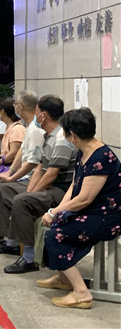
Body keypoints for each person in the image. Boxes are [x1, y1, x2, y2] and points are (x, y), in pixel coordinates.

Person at [39, 108, 121, 309]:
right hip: (92, 210)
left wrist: (54, 212)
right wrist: (57, 210)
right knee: (53, 223)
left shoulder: (101, 157)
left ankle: (81, 293)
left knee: (54, 236)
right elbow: (74, 187)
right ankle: (63, 278)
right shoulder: (84, 152)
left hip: (107, 217)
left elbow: (84, 199)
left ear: (73, 136)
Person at [0, 95, 77, 274]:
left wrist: (30, 194)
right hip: (49, 186)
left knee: (22, 201)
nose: (35, 116)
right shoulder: (49, 136)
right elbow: (40, 168)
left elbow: (51, 175)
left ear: (43, 115)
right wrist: (29, 190)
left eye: (37, 112)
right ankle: (11, 242)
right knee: (5, 190)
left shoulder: (61, 138)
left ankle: (29, 258)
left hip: (61, 190)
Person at [0, 90, 44, 228]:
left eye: (16, 103)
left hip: (27, 175)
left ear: (20, 107)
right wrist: (9, 171)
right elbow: (21, 152)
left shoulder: (29, 129)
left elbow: (28, 161)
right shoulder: (27, 127)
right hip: (16, 168)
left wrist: (10, 175)